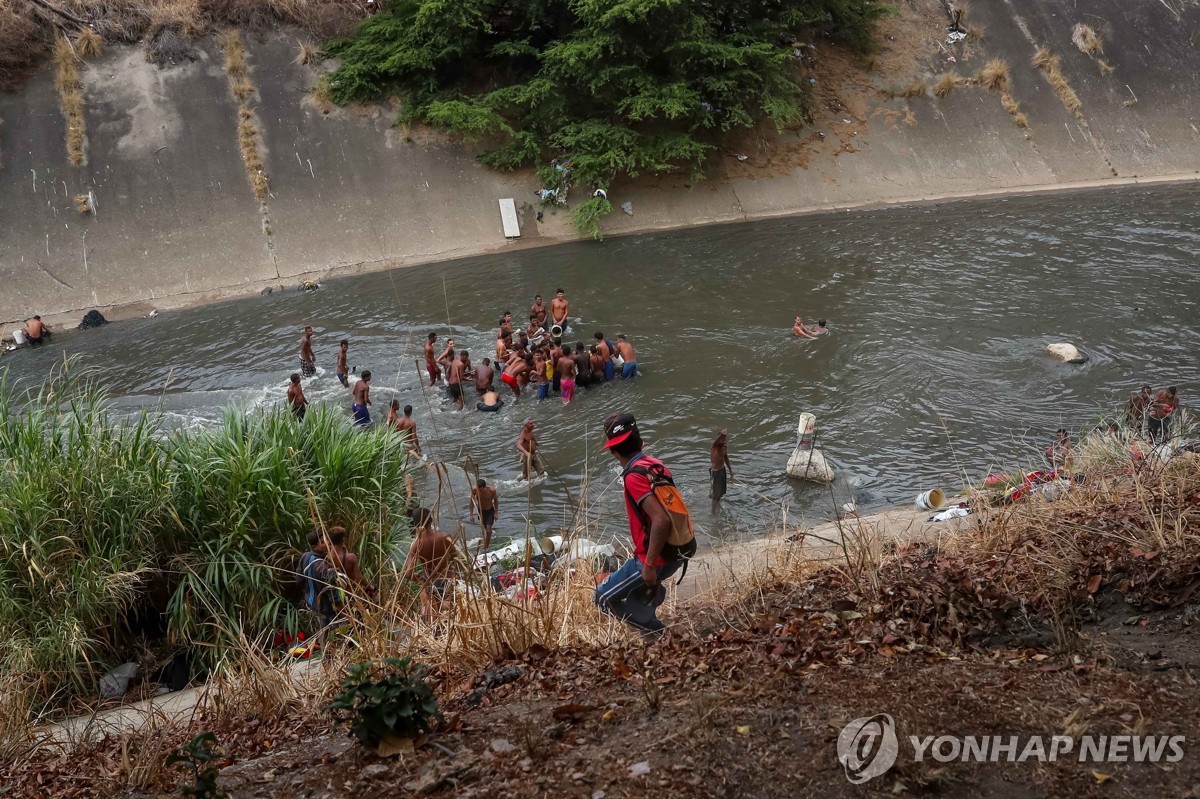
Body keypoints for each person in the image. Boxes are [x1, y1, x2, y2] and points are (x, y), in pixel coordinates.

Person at [595, 413, 696, 633]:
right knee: (631, 590)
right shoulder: (654, 465)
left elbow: (660, 520)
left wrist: (649, 567)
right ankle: (649, 627)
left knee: (602, 597)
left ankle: (655, 631)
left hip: (653, 559)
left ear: (613, 451)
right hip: (677, 551)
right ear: (640, 442)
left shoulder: (632, 477)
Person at [399, 508, 458, 619]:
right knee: (447, 608)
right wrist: (457, 575)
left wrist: (418, 578)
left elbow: (408, 574)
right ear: (431, 520)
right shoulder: (444, 537)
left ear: (416, 524)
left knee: (430, 608)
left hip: (431, 582)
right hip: (447, 579)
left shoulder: (416, 545)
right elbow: (457, 558)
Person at [299, 531, 340, 629]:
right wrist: (342, 610)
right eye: (323, 541)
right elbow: (333, 594)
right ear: (314, 547)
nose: (327, 543)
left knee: (321, 632)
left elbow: (299, 579)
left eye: (327, 540)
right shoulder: (325, 568)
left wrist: (308, 591)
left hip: (311, 604)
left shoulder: (305, 556)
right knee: (333, 634)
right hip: (326, 609)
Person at [327, 526, 375, 598]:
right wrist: (369, 586)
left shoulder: (326, 557)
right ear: (342, 540)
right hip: (347, 594)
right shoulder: (350, 557)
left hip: (331, 595)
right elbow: (358, 578)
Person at [470, 478, 499, 551]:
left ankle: (486, 548)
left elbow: (496, 501)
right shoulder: (475, 490)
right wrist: (471, 514)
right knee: (486, 528)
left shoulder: (491, 490)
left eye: (479, 489)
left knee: (488, 530)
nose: (478, 490)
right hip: (481, 512)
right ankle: (489, 535)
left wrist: (496, 512)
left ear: (484, 487)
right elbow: (471, 502)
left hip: (490, 511)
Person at [710, 430, 732, 514]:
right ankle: (712, 512)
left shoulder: (724, 447)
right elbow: (716, 441)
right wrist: (721, 434)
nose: (724, 441)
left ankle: (718, 504)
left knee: (721, 491)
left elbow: (726, 458)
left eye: (725, 439)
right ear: (718, 439)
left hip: (722, 471)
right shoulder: (714, 446)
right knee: (715, 495)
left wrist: (730, 471)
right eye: (722, 439)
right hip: (716, 473)